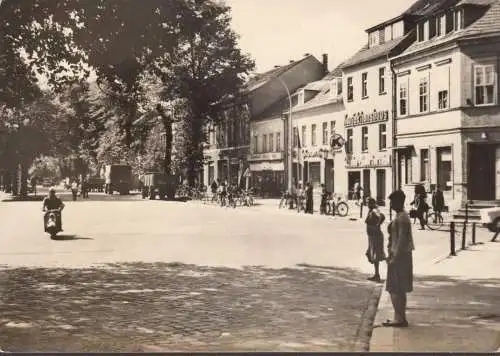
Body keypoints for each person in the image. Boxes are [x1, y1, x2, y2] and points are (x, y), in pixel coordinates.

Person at [383, 190, 415, 328]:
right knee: (399, 288)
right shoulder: (402, 216)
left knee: (394, 288)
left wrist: (393, 257)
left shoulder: (401, 218)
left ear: (398, 202)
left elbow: (401, 240)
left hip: (399, 258)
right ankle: (399, 317)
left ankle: (399, 318)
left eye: (392, 201)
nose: (390, 204)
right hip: (402, 256)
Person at [365, 198, 386, 283]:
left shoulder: (374, 210)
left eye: (368, 203)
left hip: (375, 236)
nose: (367, 204)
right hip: (372, 236)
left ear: (372, 203)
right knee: (371, 254)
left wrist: (377, 225)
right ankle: (376, 274)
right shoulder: (371, 210)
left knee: (376, 255)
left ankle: (377, 275)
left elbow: (382, 216)